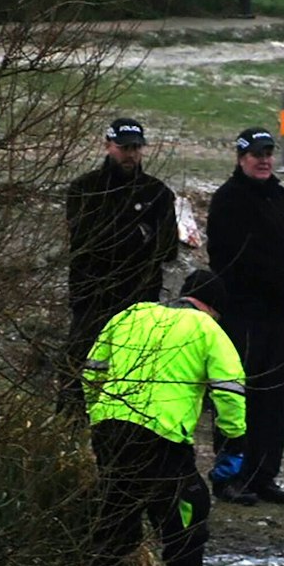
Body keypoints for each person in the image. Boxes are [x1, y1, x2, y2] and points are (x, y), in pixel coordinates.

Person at [80, 269, 246, 566]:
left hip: (110, 430)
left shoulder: (131, 315)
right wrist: (233, 437)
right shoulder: (207, 329)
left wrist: (98, 414)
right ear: (213, 307)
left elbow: (92, 370)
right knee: (186, 518)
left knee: (115, 516)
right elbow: (230, 390)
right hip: (161, 438)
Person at [205, 127, 284, 507]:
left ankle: (263, 475)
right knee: (237, 398)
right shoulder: (229, 201)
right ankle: (229, 477)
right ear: (241, 158)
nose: (264, 160)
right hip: (241, 315)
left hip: (277, 317)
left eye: (269, 153)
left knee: (275, 401)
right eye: (256, 154)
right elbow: (236, 261)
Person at [64, 116, 179, 409]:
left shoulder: (157, 193)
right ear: (108, 146)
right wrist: (138, 234)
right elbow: (88, 243)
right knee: (77, 374)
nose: (131, 154)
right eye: (124, 147)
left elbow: (166, 249)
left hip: (139, 302)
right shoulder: (85, 189)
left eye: (137, 148)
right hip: (92, 299)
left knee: (133, 380)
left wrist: (128, 238)